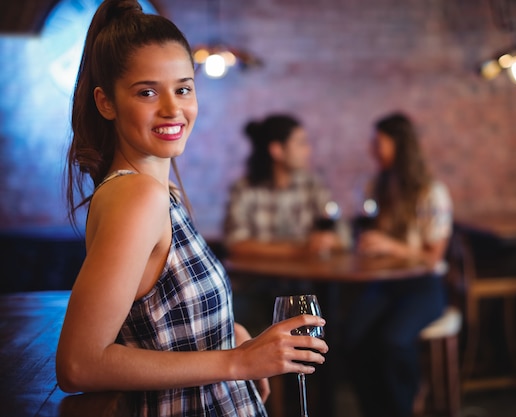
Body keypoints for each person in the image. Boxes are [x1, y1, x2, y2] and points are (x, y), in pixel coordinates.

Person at [55, 2, 328, 416]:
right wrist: (237, 361)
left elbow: (156, 325)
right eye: (147, 91)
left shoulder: (156, 191)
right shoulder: (138, 198)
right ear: (106, 102)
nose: (172, 108)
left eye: (182, 88)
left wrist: (226, 336)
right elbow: (78, 365)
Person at [342, 112, 453, 417]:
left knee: (391, 342)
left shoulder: (431, 192)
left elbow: (434, 257)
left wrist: (390, 245)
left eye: (378, 142)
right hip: (385, 283)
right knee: (350, 337)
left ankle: (403, 409)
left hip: (424, 286)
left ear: (400, 146)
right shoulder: (377, 186)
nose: (371, 148)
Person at [223, 114, 344, 258]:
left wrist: (328, 240)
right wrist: (300, 250)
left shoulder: (312, 185)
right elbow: (236, 244)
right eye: (301, 143)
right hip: (258, 278)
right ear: (277, 150)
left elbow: (342, 237)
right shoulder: (244, 189)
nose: (308, 150)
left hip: (306, 278)